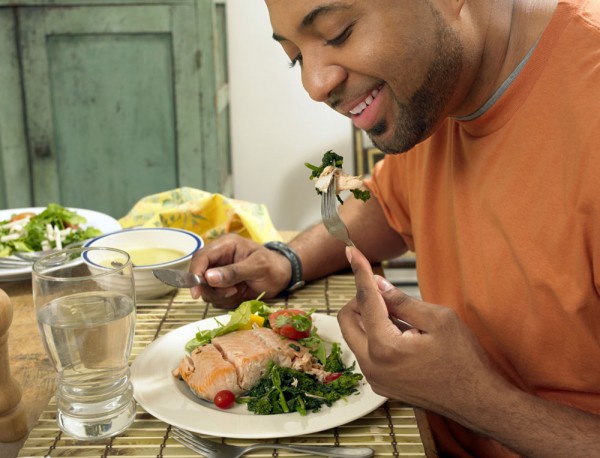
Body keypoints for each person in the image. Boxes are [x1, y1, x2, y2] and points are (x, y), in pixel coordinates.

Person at [189, 0, 600, 455]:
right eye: (296, 58)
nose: (315, 84)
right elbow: (388, 204)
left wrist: (475, 399)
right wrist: (286, 260)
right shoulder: (439, 94)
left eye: (339, 32)